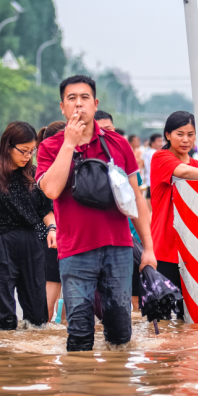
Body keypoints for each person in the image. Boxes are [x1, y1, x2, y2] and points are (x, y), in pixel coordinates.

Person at [37, 75, 155, 351]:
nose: (79, 104)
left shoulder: (118, 144)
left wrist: (148, 248)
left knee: (119, 333)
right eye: (72, 99)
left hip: (119, 249)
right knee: (78, 332)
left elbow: (136, 197)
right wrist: (69, 144)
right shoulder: (50, 146)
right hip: (75, 251)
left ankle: (113, 386)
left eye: (85, 98)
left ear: (95, 103)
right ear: (62, 107)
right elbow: (52, 190)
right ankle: (81, 392)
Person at [0, 122, 54, 330]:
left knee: (38, 320)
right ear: (8, 146)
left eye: (32, 151)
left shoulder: (35, 174)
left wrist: (52, 229)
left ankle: (31, 358)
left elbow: (46, 211)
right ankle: (4, 357)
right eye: (23, 151)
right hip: (1, 245)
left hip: (33, 244)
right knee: (5, 319)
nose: (27, 156)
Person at [149, 111, 198, 289]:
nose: (186, 140)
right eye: (180, 134)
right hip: (164, 247)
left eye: (190, 134)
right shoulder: (160, 158)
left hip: (192, 249)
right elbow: (183, 172)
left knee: (190, 315)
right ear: (168, 135)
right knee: (161, 315)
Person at [37, 120, 66, 321]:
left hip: (70, 240)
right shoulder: (42, 174)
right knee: (47, 310)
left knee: (68, 312)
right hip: (51, 242)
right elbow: (45, 208)